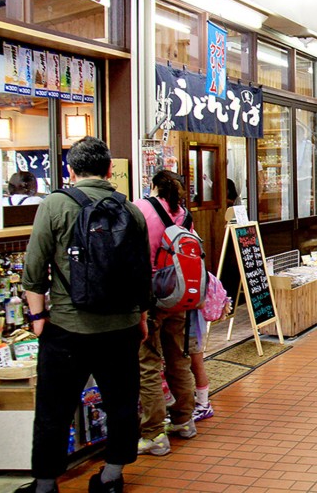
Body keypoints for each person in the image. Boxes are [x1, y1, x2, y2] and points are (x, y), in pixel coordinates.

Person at [20, 136, 151, 493]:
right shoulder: (131, 210)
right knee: (122, 403)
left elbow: (34, 267)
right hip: (122, 327)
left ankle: (45, 485)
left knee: (54, 409)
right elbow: (143, 273)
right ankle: (111, 477)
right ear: (110, 170)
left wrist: (37, 318)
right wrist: (140, 318)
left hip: (67, 327)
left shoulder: (55, 205)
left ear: (70, 169)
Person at [133, 170, 198, 457]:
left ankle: (154, 434)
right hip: (178, 294)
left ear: (153, 186)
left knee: (148, 362)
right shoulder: (184, 215)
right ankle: (184, 421)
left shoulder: (141, 208)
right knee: (178, 356)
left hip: (150, 295)